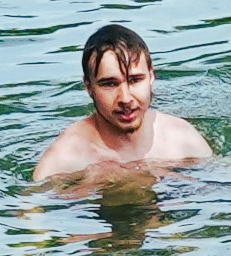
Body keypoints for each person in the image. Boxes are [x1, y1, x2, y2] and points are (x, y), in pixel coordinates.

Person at [32, 20, 214, 191]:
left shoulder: (180, 138)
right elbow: (30, 211)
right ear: (89, 87)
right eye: (110, 84)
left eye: (135, 80)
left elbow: (228, 182)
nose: (125, 98)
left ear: (151, 76)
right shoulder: (66, 157)